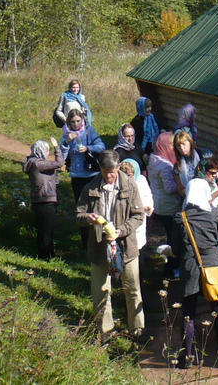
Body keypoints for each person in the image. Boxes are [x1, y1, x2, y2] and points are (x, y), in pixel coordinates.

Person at [75, 150, 145, 338]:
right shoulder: (91, 187)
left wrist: (121, 230)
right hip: (99, 248)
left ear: (119, 167)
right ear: (100, 169)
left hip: (126, 247)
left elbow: (139, 216)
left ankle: (137, 330)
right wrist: (88, 218)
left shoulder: (130, 186)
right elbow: (78, 215)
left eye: (112, 172)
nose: (109, 176)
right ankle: (105, 332)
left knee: (132, 289)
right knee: (100, 292)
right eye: (106, 172)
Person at [173, 178, 218, 367]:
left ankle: (186, 356)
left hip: (190, 269)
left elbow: (176, 249)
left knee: (188, 312)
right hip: (213, 267)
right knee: (217, 309)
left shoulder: (179, 217)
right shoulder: (215, 214)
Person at [61, 108, 105, 249]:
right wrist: (67, 142)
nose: (75, 124)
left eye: (78, 121)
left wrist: (88, 148)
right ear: (69, 122)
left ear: (82, 120)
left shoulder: (88, 131)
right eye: (72, 122)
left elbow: (101, 146)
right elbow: (61, 156)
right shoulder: (66, 135)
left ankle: (99, 238)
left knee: (96, 206)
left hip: (91, 175)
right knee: (81, 208)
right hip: (77, 176)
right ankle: (85, 242)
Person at [22, 137, 66, 259]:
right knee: (46, 230)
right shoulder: (38, 163)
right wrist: (57, 147)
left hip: (40, 200)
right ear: (40, 150)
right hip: (45, 200)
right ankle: (45, 256)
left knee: (45, 229)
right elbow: (59, 163)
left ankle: (48, 254)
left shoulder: (32, 162)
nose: (48, 153)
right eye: (47, 150)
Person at [147, 131, 181, 278]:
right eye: (172, 145)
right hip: (169, 206)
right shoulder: (165, 165)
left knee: (169, 235)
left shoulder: (153, 159)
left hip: (159, 204)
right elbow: (169, 188)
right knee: (174, 238)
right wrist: (182, 185)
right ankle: (172, 268)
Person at [119, 158, 154, 252]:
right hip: (125, 218)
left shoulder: (141, 180)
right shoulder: (119, 184)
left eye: (130, 175)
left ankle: (140, 260)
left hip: (140, 214)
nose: (128, 178)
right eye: (125, 175)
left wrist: (148, 205)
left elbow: (147, 194)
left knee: (139, 242)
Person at [173, 130, 200, 198]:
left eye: (183, 144)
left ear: (190, 142)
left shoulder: (203, 155)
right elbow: (180, 189)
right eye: (179, 146)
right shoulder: (177, 167)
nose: (182, 148)